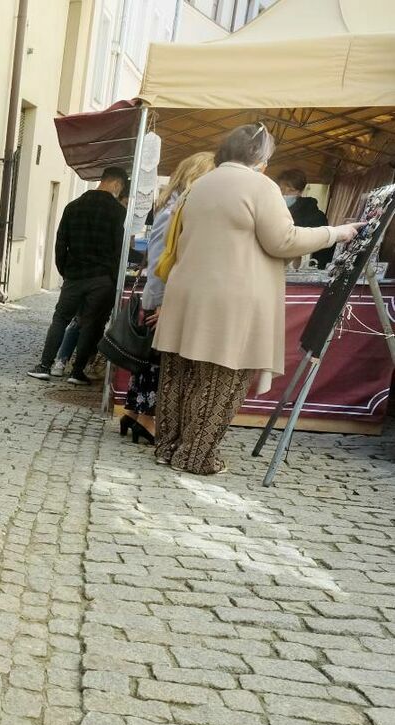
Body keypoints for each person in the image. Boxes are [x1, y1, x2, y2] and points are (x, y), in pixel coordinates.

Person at [152, 125, 361, 474]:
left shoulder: (199, 184)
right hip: (231, 298)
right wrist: (335, 233)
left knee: (180, 375)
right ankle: (195, 456)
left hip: (187, 291)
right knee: (223, 378)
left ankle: (168, 447)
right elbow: (283, 240)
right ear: (260, 158)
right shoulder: (260, 186)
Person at [121, 152, 216, 445]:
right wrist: (162, 303)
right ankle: (147, 421)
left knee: (151, 360)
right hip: (163, 297)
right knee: (158, 363)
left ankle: (134, 416)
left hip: (162, 296)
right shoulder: (176, 207)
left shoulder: (174, 204)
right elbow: (162, 260)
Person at [27, 166, 129, 385]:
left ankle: (45, 365)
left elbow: (60, 243)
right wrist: (112, 277)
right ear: (117, 184)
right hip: (102, 278)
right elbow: (119, 249)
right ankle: (76, 372)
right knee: (90, 324)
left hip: (75, 276)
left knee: (60, 319)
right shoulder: (119, 212)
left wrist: (65, 271)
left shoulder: (73, 207)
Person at [276, 168, 335, 269]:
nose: (284, 194)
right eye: (281, 189)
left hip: (301, 272)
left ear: (300, 192)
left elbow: (326, 245)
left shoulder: (315, 216)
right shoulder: (272, 211)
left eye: (291, 190)